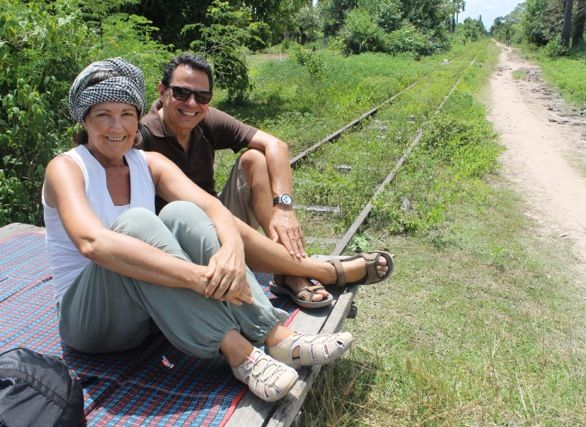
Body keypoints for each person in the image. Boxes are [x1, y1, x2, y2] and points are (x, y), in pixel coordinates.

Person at [43, 58, 394, 402]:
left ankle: (275, 335)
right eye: (103, 115)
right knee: (137, 224)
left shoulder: (147, 163)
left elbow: (212, 207)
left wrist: (230, 250)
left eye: (126, 115)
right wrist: (196, 276)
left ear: (137, 120)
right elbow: (93, 243)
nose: (116, 127)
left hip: (145, 316)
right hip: (89, 320)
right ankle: (240, 354)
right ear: (84, 120)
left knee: (184, 211)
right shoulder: (67, 168)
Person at [139, 54, 332, 308]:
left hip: (217, 219)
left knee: (255, 160)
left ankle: (289, 271)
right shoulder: (143, 136)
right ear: (162, 91)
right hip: (178, 238)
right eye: (181, 93)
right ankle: (320, 270)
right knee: (185, 213)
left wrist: (284, 208)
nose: (192, 103)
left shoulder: (205, 119)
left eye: (202, 97)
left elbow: (275, 145)